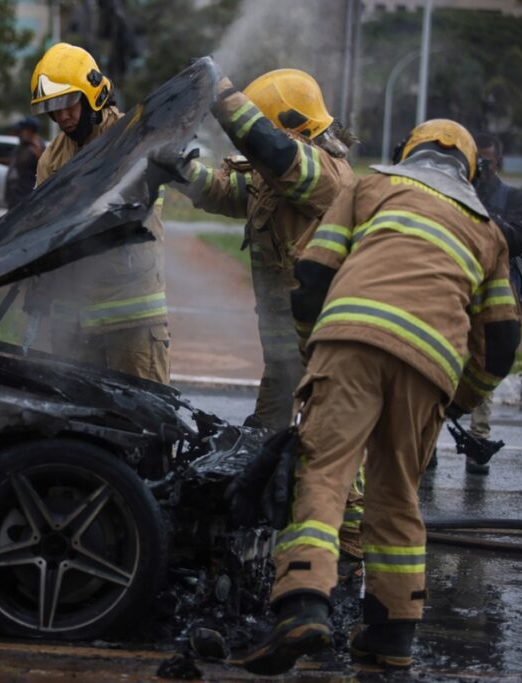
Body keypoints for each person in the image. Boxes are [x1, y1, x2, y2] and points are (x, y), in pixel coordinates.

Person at [240, 119, 520, 675]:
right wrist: (460, 401)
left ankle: (302, 605)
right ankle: (391, 635)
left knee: (324, 473)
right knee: (396, 499)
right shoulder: (489, 233)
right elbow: (503, 342)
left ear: (404, 153)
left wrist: (311, 352)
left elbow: (313, 273)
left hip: (351, 343)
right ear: (471, 172)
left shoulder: (366, 188)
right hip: (431, 367)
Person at [174, 67, 364, 561]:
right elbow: (222, 192)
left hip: (321, 346)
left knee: (330, 448)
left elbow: (272, 149)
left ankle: (349, 552)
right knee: (266, 442)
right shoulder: (271, 179)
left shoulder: (324, 174)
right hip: (284, 355)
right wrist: (176, 167)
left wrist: (219, 92)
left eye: (266, 127)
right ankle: (276, 543)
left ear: (292, 127)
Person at [26, 42, 170, 383]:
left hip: (130, 314)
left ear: (92, 95)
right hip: (71, 318)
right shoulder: (51, 159)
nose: (61, 116)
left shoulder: (132, 139)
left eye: (67, 103)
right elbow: (38, 226)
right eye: (51, 108)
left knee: (142, 421)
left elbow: (131, 209)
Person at [464, 132, 522, 474]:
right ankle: (430, 443)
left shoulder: (511, 197)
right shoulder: (461, 191)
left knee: (485, 364)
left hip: (496, 297)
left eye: (488, 159)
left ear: (498, 161)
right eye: (478, 159)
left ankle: (478, 438)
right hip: (460, 291)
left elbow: (516, 238)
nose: (483, 166)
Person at [0, 117, 45, 210]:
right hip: (14, 196)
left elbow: (46, 166)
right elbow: (12, 161)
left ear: (30, 130)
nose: (18, 133)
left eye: (21, 131)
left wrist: (39, 154)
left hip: (26, 197)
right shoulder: (22, 145)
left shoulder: (37, 147)